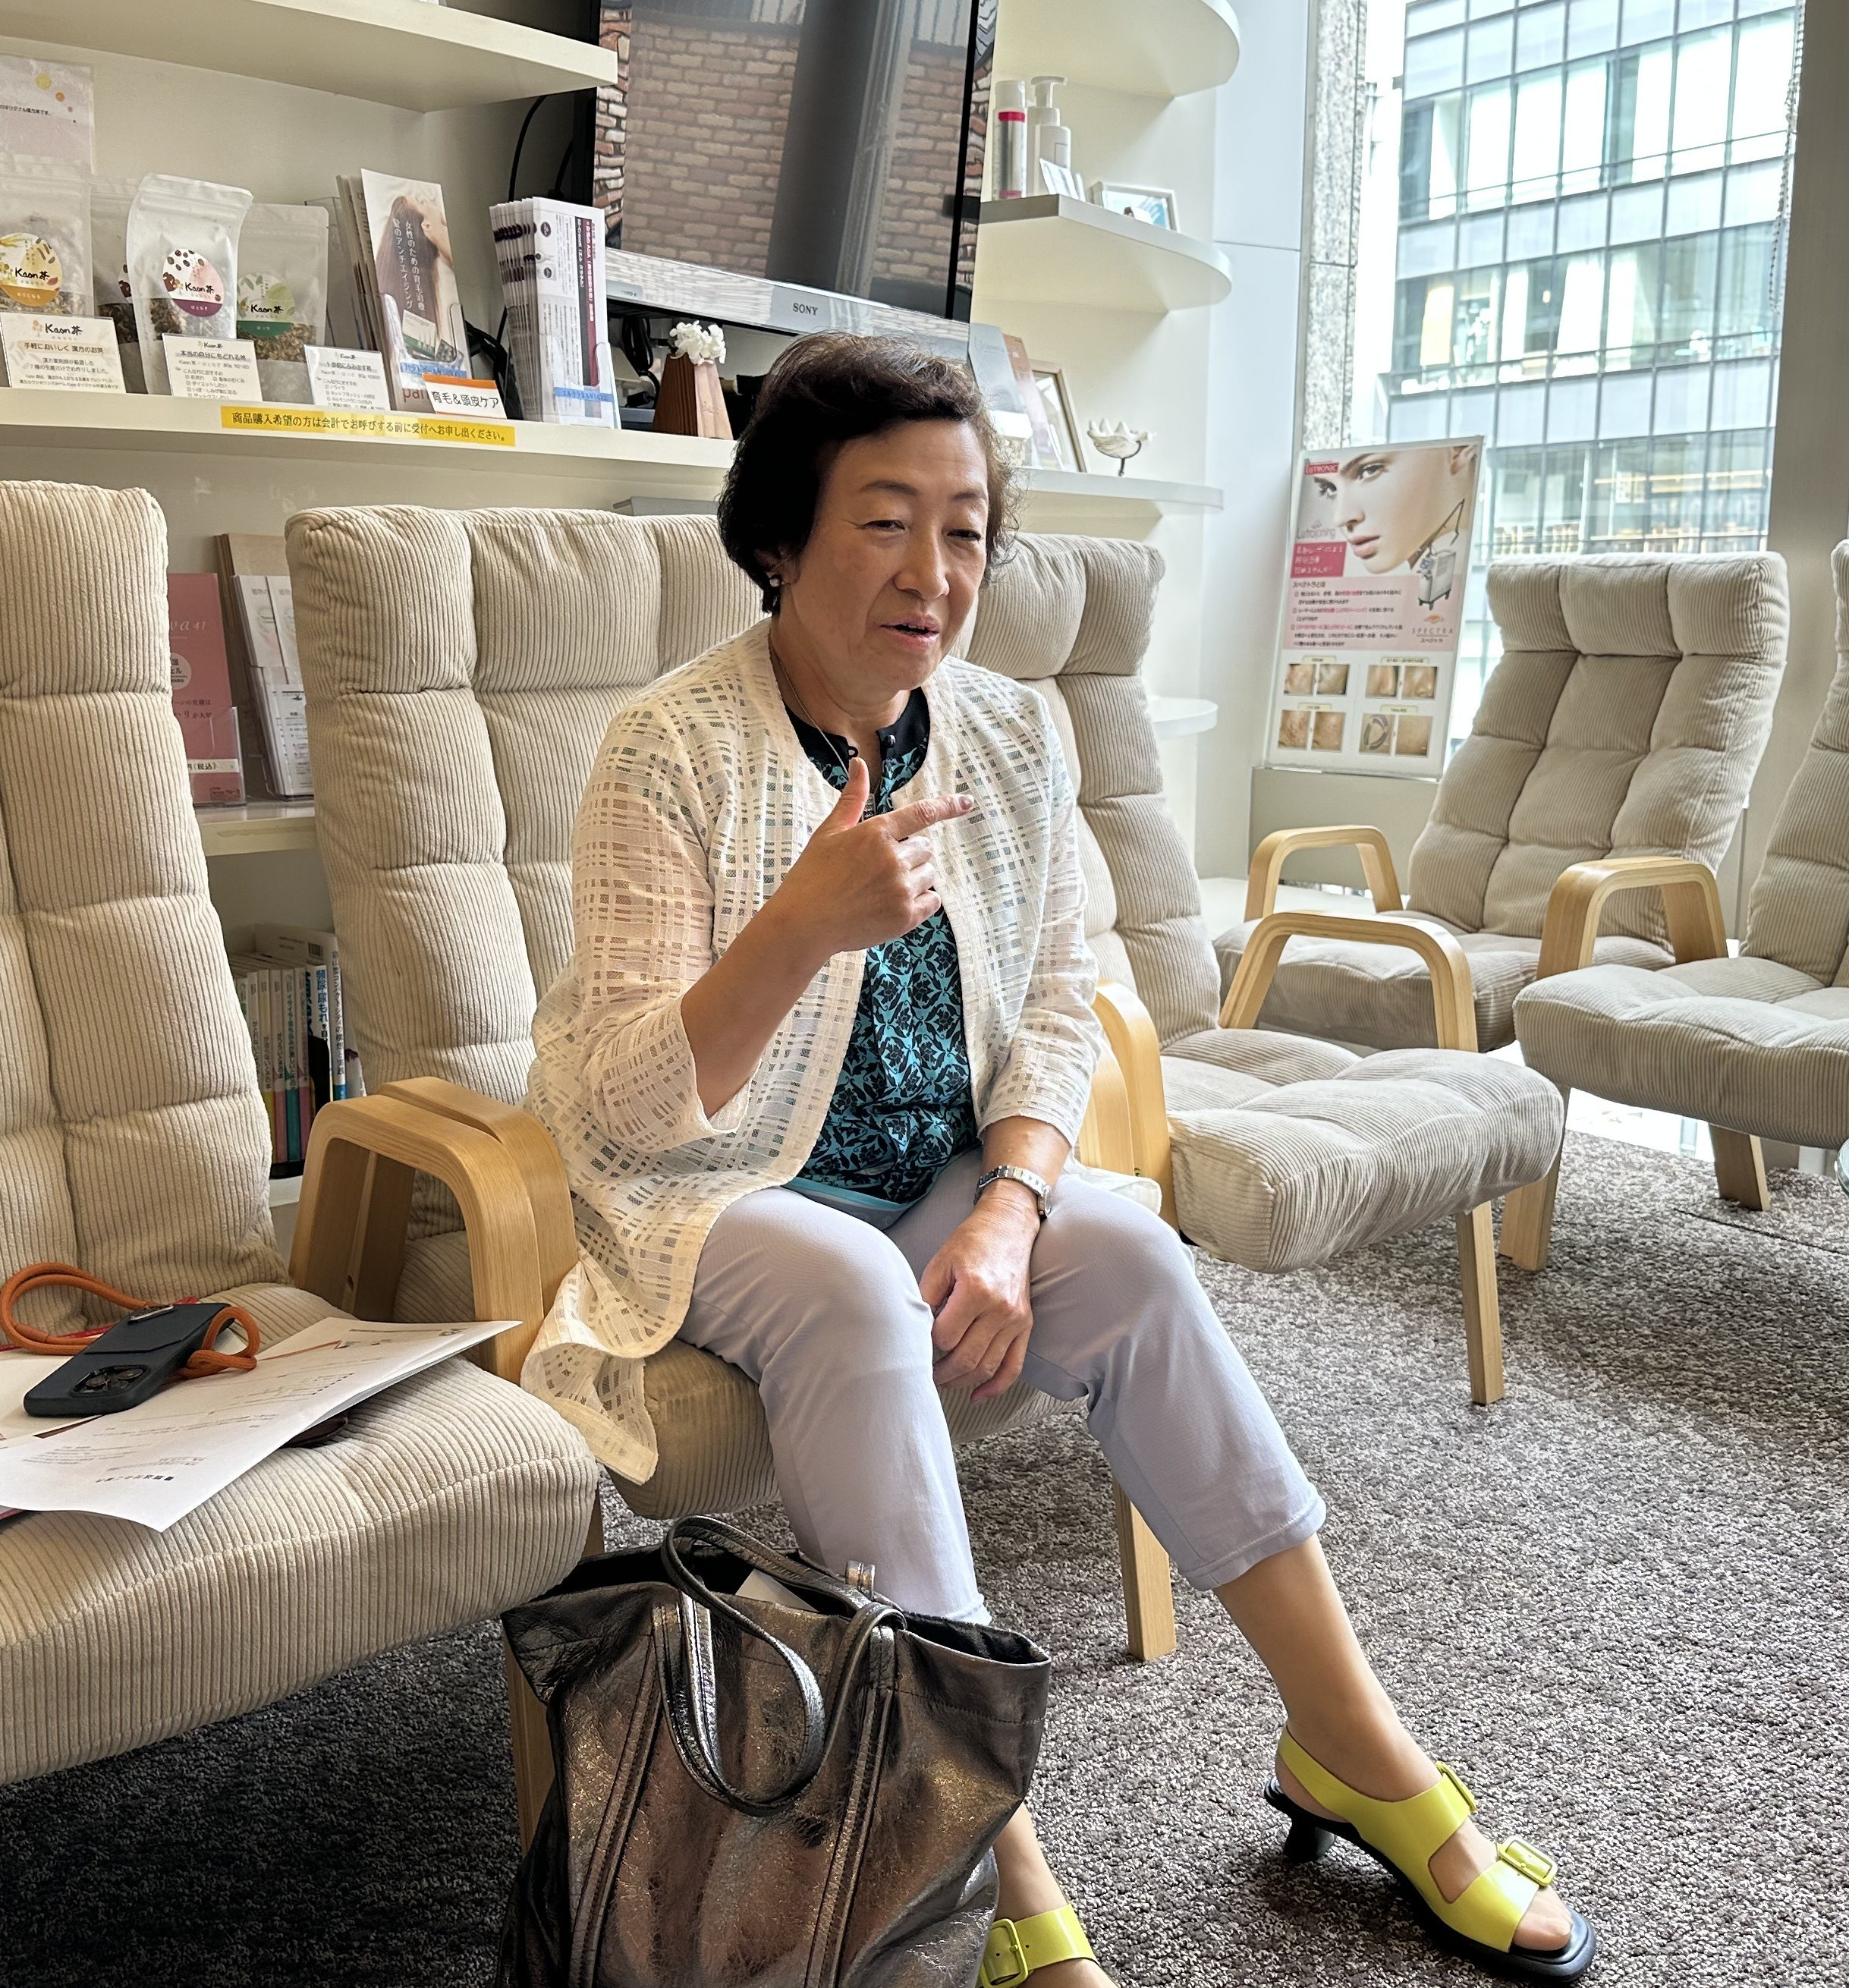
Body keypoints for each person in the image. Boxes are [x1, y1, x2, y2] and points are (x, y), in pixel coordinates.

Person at [524, 335, 1590, 1986]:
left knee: (1135, 1255)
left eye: (964, 530)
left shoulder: (1012, 734)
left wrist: (1015, 1209)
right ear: (780, 538)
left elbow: (1052, 1012)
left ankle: (1352, 1746)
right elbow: (624, 1109)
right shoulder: (665, 753)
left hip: (941, 1178)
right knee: (852, 1293)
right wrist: (794, 931)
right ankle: (990, 1860)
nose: (933, 572)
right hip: (720, 1197)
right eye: (885, 521)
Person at [1313, 442, 1480, 612]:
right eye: (1330, 488)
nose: (1340, 518)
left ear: (1458, 451)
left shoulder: (1456, 558)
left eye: (1370, 470)